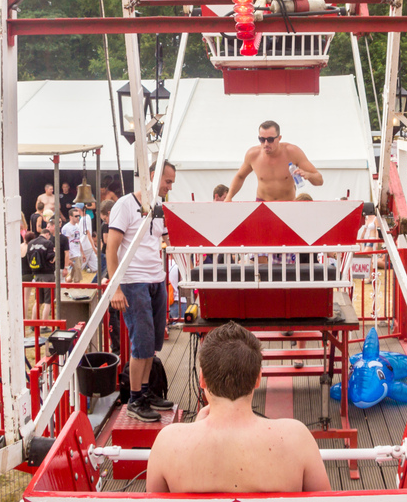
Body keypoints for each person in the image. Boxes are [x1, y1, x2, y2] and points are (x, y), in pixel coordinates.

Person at [146, 322, 329, 493]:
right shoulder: (297, 438)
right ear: (258, 379)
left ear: (202, 379)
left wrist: (195, 429)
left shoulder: (167, 444)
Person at [107, 162, 178, 423]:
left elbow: (169, 239)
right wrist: (115, 287)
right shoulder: (124, 205)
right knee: (142, 343)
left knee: (152, 344)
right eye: (167, 182)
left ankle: (146, 393)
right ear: (153, 177)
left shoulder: (158, 208)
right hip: (133, 281)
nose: (170, 187)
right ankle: (135, 398)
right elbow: (111, 248)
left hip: (155, 279)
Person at [225, 121, 322, 202]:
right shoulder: (253, 155)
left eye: (270, 139)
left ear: (279, 138)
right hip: (262, 204)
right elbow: (240, 176)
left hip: (287, 204)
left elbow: (319, 180)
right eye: (262, 139)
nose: (266, 143)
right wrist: (229, 197)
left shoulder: (293, 152)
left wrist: (308, 175)